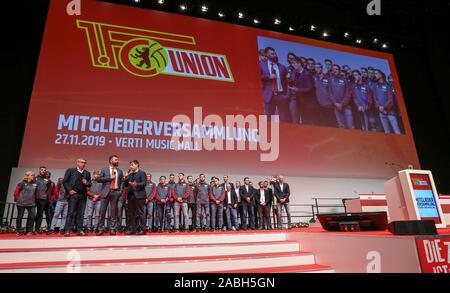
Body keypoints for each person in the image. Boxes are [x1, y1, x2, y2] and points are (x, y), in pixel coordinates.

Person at [260, 46, 289, 122]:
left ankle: (283, 133)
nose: (274, 55)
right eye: (272, 53)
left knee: (283, 118)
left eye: (275, 53)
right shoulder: (261, 64)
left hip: (281, 95)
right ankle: (267, 133)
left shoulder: (282, 67)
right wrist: (268, 77)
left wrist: (286, 95)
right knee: (268, 118)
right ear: (267, 54)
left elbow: (287, 82)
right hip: (269, 95)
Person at [63, 158, 91, 237]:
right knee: (71, 212)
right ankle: (67, 230)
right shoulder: (71, 170)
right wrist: (69, 190)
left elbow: (90, 184)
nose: (83, 164)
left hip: (83, 195)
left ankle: (80, 230)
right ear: (77, 163)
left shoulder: (87, 173)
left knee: (81, 214)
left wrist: (87, 183)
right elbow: (64, 181)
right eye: (82, 162)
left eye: (84, 163)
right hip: (73, 194)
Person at [97, 155, 124, 236]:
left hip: (115, 192)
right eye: (116, 159)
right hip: (105, 192)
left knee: (113, 212)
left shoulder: (119, 171)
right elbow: (99, 179)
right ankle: (100, 229)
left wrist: (120, 191)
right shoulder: (104, 169)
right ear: (111, 161)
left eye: (117, 159)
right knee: (102, 212)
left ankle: (112, 229)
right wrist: (109, 178)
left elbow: (122, 182)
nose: (117, 161)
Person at [372, 69, 401, 134]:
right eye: (374, 74)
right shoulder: (375, 86)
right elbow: (375, 98)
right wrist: (379, 107)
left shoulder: (388, 85)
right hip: (381, 112)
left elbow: (391, 99)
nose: (375, 75)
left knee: (397, 131)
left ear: (381, 75)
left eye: (376, 73)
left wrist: (385, 108)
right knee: (387, 132)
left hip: (390, 112)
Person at [290, 57, 317, 125]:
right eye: (292, 64)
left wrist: (298, 90)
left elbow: (310, 89)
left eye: (294, 63)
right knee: (304, 121)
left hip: (308, 103)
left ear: (299, 63)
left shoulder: (307, 74)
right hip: (301, 102)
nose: (292, 65)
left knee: (310, 122)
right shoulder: (296, 74)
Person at [123, 160, 147, 235]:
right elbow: (126, 185)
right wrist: (126, 179)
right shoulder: (130, 175)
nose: (131, 166)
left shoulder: (142, 173)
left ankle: (143, 229)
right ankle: (133, 229)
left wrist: (136, 184)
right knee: (131, 214)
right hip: (131, 196)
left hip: (140, 196)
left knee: (140, 213)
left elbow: (144, 183)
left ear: (137, 165)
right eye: (130, 165)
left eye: (132, 165)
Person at [329, 64, 355, 129]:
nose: (335, 71)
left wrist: (342, 104)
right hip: (336, 106)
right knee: (341, 126)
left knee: (350, 125)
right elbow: (330, 93)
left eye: (336, 69)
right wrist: (335, 103)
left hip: (346, 106)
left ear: (339, 71)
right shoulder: (330, 80)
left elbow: (348, 93)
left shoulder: (344, 80)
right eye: (333, 69)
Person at [14, 171, 38, 235]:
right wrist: (17, 200)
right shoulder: (21, 183)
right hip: (21, 203)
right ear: (28, 176)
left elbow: (35, 193)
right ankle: (19, 231)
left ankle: (29, 230)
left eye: (34, 175)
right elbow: (16, 192)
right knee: (20, 216)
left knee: (32, 216)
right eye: (32, 175)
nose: (33, 176)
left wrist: (34, 201)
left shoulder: (35, 184)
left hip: (31, 203)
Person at [313, 62, 336, 127]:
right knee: (321, 123)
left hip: (328, 104)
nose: (317, 69)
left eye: (318, 67)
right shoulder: (314, 78)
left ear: (322, 68)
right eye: (315, 68)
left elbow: (332, 91)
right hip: (318, 105)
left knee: (330, 123)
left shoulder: (328, 77)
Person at [34, 166, 52, 233]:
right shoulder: (35, 178)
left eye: (44, 170)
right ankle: (29, 229)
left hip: (42, 199)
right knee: (32, 214)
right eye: (42, 170)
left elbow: (49, 191)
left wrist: (49, 200)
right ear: (39, 170)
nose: (43, 171)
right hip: (34, 198)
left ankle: (37, 229)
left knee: (40, 214)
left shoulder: (48, 180)